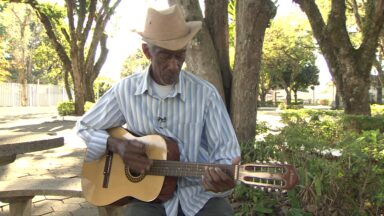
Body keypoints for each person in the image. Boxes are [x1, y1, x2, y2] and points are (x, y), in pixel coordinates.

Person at [75, 4, 241, 216]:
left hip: (198, 196)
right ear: (147, 52)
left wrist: (221, 180)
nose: (174, 65)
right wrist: (117, 145)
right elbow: (84, 126)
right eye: (165, 56)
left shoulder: (206, 94)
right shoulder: (125, 90)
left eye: (180, 55)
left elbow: (227, 153)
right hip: (147, 198)